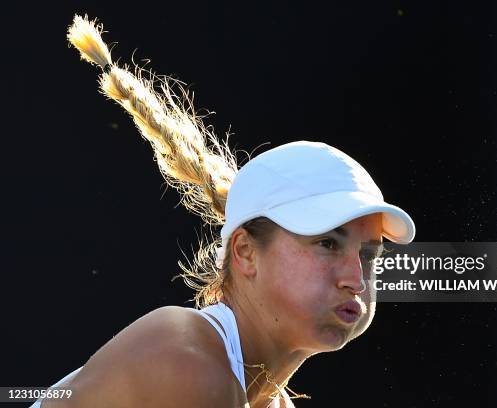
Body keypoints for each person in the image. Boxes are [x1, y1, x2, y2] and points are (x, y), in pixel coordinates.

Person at [32, 15, 416, 408]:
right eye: (327, 243)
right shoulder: (188, 361)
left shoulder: (264, 398)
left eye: (368, 255)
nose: (356, 278)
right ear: (246, 252)